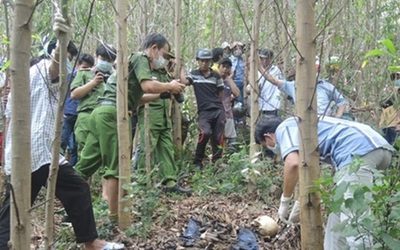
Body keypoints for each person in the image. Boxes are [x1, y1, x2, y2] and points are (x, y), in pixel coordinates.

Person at [0, 13, 123, 250]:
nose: (66, 62)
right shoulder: (42, 69)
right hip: (36, 153)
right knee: (75, 189)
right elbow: (54, 69)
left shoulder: (27, 76)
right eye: (65, 56)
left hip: (35, 152)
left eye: (69, 58)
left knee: (13, 207)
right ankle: (91, 242)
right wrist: (60, 44)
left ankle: (90, 241)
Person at [74, 33, 185, 222]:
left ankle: (69, 209)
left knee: (85, 165)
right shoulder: (141, 57)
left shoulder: (132, 63)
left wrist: (163, 94)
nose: (164, 60)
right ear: (154, 48)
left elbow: (137, 98)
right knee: (115, 167)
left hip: (100, 112)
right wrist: (170, 85)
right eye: (164, 55)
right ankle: (115, 217)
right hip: (111, 115)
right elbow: (148, 86)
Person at [255, 115, 393, 250]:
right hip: (377, 148)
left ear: (268, 137)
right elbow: (314, 181)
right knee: (337, 218)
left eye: (266, 146)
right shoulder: (300, 129)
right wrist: (298, 207)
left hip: (357, 150)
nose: (271, 149)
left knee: (353, 216)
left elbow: (293, 164)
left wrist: (284, 202)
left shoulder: (283, 128)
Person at [136, 51, 191, 194]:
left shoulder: (164, 74)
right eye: (165, 57)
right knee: (146, 147)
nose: (165, 60)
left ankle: (170, 181)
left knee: (166, 147)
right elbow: (140, 95)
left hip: (164, 116)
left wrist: (174, 72)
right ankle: (141, 182)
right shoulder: (146, 73)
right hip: (150, 115)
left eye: (168, 59)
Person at [259, 64, 349, 118]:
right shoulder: (295, 86)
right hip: (303, 122)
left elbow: (342, 101)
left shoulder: (326, 86)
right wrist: (259, 66)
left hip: (326, 121)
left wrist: (338, 116)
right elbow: (274, 81)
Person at [187, 48, 225, 169]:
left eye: (207, 61)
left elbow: (220, 93)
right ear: (198, 61)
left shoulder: (216, 76)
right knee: (205, 133)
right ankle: (197, 161)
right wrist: (180, 66)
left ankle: (217, 162)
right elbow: (185, 82)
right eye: (201, 61)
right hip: (204, 111)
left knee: (218, 137)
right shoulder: (193, 74)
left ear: (210, 62)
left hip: (218, 110)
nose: (204, 63)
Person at [61, 53, 94, 166]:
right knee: (62, 142)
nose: (85, 70)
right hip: (67, 114)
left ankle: (73, 171)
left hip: (80, 115)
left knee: (75, 146)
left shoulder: (91, 78)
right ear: (78, 65)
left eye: (88, 68)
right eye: (84, 67)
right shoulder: (70, 76)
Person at [218, 57, 240, 153]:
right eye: (223, 66)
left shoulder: (228, 81)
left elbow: (237, 93)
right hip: (217, 114)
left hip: (228, 114)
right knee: (218, 139)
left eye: (227, 67)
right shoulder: (214, 80)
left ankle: (230, 161)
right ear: (219, 67)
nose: (225, 69)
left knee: (232, 139)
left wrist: (229, 78)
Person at [256, 49, 283, 117]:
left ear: (271, 59)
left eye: (267, 59)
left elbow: (280, 83)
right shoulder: (257, 72)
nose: (264, 61)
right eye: (262, 59)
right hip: (260, 105)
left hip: (272, 105)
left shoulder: (276, 70)